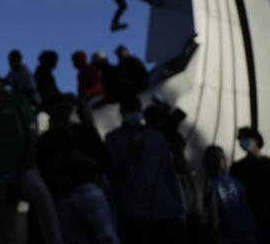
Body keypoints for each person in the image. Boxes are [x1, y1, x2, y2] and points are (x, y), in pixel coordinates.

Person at [0, 67, 64, 244]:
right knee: (5, 231)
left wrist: (23, 170)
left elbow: (31, 135)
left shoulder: (17, 102)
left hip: (24, 170)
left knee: (43, 202)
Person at [105, 96, 186, 244]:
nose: (134, 114)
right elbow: (114, 176)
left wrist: (180, 206)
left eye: (136, 109)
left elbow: (169, 173)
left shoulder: (155, 137)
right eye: (130, 110)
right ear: (122, 112)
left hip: (165, 208)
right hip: (135, 212)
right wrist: (131, 155)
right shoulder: (113, 139)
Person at [36, 96, 118, 244]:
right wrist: (60, 162)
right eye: (57, 112)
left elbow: (104, 164)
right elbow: (41, 171)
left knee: (106, 234)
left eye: (65, 111)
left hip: (89, 189)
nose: (62, 117)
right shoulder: (44, 141)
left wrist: (80, 159)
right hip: (62, 196)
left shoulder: (86, 132)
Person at [202, 145, 258, 244]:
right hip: (222, 236)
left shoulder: (236, 183)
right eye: (214, 157)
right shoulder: (204, 184)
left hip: (245, 235)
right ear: (207, 160)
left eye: (221, 156)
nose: (219, 160)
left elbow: (248, 209)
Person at [229, 127, 270, 244]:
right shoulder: (237, 167)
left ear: (256, 140)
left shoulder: (267, 164)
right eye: (240, 139)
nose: (242, 142)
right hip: (247, 215)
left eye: (245, 138)